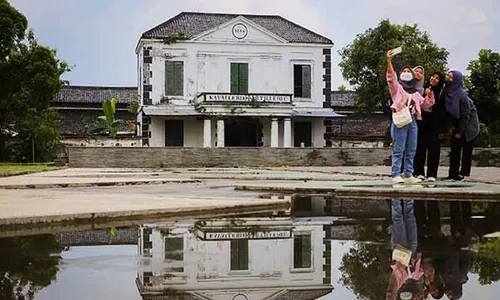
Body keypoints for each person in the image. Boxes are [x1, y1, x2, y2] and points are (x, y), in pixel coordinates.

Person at [387, 50, 435, 184]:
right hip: (400, 121)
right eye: (405, 71)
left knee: (411, 149)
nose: (407, 73)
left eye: (409, 72)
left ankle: (408, 174)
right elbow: (391, 78)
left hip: (412, 121)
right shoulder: (398, 89)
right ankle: (396, 174)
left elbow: (426, 105)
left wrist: (429, 95)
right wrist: (389, 61)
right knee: (399, 149)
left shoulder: (416, 92)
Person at [442, 70, 480, 181]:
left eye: (451, 77)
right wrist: (449, 127)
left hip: (469, 126)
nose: (448, 78)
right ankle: (452, 174)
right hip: (455, 123)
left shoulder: (462, 95)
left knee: (466, 151)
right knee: (454, 149)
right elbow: (448, 112)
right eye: (447, 76)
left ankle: (463, 174)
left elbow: (466, 115)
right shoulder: (447, 92)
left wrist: (460, 132)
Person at [413, 72, 445, 182]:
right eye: (433, 76)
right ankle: (418, 172)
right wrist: (425, 95)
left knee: (434, 149)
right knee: (420, 148)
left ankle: (432, 174)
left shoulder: (441, 93)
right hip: (422, 122)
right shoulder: (421, 89)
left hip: (434, 124)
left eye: (437, 78)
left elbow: (442, 112)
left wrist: (442, 129)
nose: (434, 79)